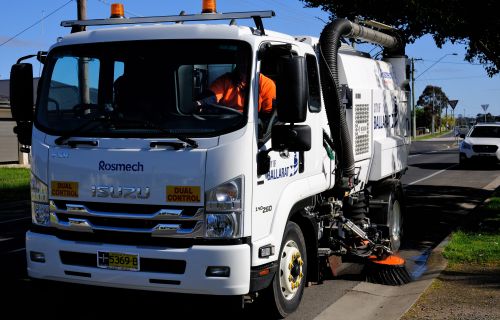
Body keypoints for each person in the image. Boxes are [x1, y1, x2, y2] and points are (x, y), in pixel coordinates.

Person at [194, 61, 276, 115]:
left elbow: (267, 113)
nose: (244, 63)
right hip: (226, 121)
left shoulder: (267, 84)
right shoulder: (225, 80)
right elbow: (211, 95)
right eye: (242, 59)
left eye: (247, 58)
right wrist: (200, 103)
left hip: (252, 124)